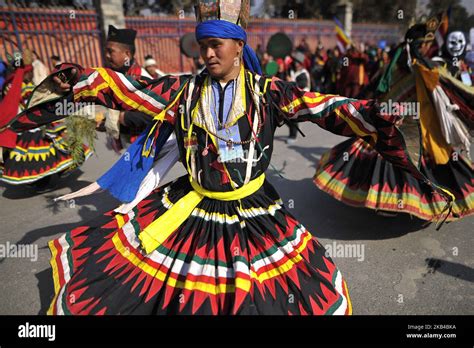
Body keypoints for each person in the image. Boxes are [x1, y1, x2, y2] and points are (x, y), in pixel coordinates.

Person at [12, 0, 450, 315]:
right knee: (160, 290)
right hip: (192, 203)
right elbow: (123, 90)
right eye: (203, 45)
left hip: (254, 207)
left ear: (239, 46)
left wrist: (368, 114)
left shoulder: (267, 92)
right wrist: (73, 83)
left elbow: (324, 108)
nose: (207, 53)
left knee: (261, 293)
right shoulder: (182, 90)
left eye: (218, 44)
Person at [313, 18, 473, 222]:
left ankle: (394, 204)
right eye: (425, 44)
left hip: (398, 121)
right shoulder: (421, 68)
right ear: (420, 45)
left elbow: (375, 87)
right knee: (406, 161)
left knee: (396, 159)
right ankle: (400, 203)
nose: (427, 48)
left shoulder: (399, 65)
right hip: (406, 123)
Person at [0, 50, 92, 190]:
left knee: (48, 150)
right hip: (30, 124)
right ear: (26, 72)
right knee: (42, 152)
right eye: (30, 71)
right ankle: (44, 178)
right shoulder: (20, 86)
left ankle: (47, 176)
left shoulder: (12, 85)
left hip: (28, 122)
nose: (31, 74)